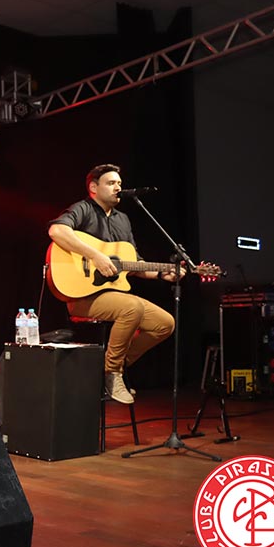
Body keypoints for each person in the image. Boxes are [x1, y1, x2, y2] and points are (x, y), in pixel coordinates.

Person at [48, 163, 181, 404]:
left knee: (165, 324)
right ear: (93, 187)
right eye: (111, 183)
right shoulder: (83, 209)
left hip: (111, 295)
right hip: (80, 297)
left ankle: (108, 366)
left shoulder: (123, 220)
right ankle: (112, 374)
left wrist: (163, 274)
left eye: (119, 183)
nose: (118, 187)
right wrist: (95, 255)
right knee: (132, 307)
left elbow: (135, 264)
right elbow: (57, 231)